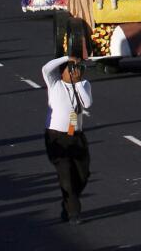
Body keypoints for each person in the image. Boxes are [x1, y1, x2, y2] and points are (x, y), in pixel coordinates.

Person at [43, 54, 92, 223]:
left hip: (76, 137)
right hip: (56, 137)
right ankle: (74, 213)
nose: (75, 71)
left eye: (78, 68)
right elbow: (46, 68)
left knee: (83, 175)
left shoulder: (84, 84)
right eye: (71, 69)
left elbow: (87, 104)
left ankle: (68, 204)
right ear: (63, 71)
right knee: (66, 176)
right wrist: (67, 58)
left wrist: (77, 83)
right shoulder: (55, 84)